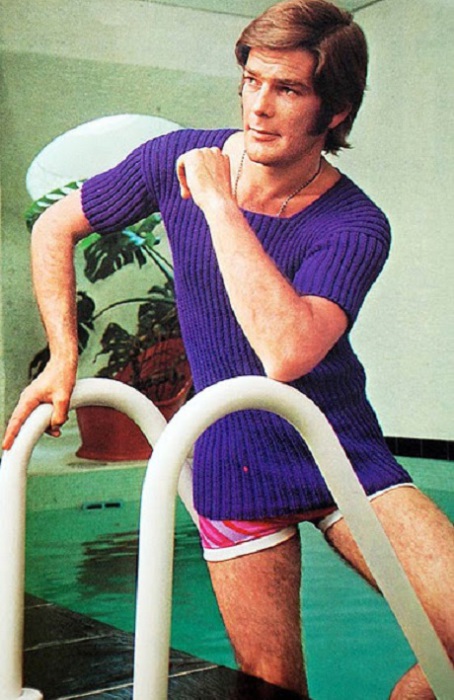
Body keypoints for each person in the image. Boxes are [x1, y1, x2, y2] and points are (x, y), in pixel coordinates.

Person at [3, 1, 453, 697]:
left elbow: (286, 352)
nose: (259, 106)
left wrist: (218, 204)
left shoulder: (355, 224)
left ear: (335, 110)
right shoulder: (171, 159)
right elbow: (53, 228)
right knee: (272, 683)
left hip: (338, 447)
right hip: (232, 455)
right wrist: (64, 355)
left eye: (288, 89)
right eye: (251, 81)